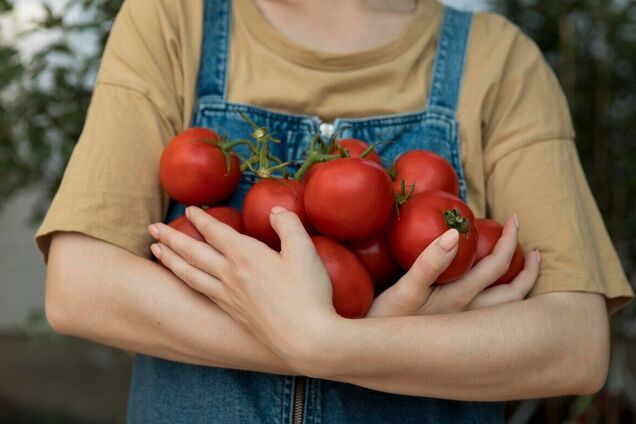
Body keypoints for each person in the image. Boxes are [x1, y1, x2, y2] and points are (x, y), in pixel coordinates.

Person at [36, 0, 633, 422]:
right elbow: (81, 286)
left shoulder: (498, 61)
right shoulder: (173, 19)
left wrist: (330, 344)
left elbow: (574, 346)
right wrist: (341, 334)